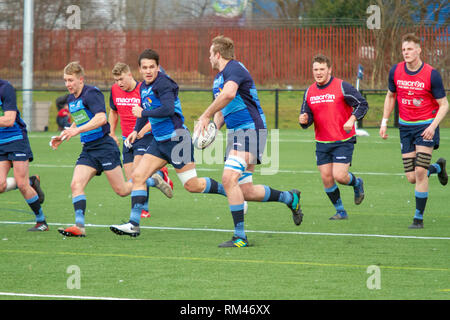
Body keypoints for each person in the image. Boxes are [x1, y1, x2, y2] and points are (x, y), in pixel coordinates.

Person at [195, 36, 303, 248]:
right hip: (237, 132)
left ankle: (240, 237)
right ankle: (290, 199)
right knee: (245, 190)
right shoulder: (218, 79)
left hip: (250, 129)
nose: (208, 58)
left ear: (218, 54)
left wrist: (205, 115)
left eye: (210, 54)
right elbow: (223, 109)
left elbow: (229, 94)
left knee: (228, 179)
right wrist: (212, 131)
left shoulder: (234, 68)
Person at [110, 49, 227, 237]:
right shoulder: (143, 87)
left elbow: (167, 109)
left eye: (152, 67)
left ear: (157, 67)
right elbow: (142, 109)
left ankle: (229, 191)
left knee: (192, 185)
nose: (148, 71)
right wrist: (135, 131)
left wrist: (143, 114)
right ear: (139, 69)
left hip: (177, 140)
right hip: (159, 142)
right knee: (138, 176)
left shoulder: (163, 84)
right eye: (145, 67)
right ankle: (133, 224)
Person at [55, 62, 159, 237]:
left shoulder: (92, 93)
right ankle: (79, 227)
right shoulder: (72, 99)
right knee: (76, 184)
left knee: (123, 190)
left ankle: (150, 180)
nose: (68, 84)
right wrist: (65, 134)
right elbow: (81, 119)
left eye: (71, 80)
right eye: (65, 80)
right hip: (88, 150)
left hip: (104, 147)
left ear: (81, 79)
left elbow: (102, 118)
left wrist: (77, 131)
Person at [379, 33, 448, 229]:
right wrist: (384, 122)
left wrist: (432, 127)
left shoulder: (431, 74)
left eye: (410, 49)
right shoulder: (396, 71)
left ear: (419, 50)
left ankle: (418, 218)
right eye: (403, 50)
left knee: (419, 172)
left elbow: (444, 104)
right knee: (411, 177)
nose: (406, 53)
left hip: (426, 127)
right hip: (405, 128)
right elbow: (391, 96)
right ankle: (438, 168)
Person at [299, 54, 368, 220]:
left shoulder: (342, 86)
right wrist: (303, 120)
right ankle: (341, 211)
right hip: (322, 142)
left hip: (343, 140)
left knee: (340, 176)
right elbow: (307, 117)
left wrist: (352, 119)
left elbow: (362, 104)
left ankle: (357, 183)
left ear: (329, 70)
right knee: (326, 178)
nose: (319, 72)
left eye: (322, 69)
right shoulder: (309, 91)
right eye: (316, 69)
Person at [109, 62, 173, 218]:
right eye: (117, 80)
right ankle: (157, 178)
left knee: (138, 173)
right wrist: (111, 132)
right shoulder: (115, 90)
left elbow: (155, 116)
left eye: (122, 79)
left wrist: (140, 132)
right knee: (131, 179)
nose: (119, 83)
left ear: (130, 75)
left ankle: (143, 209)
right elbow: (113, 112)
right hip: (127, 138)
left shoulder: (143, 90)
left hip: (145, 137)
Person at [0, 78, 47, 231]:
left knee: (22, 184)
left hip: (16, 139)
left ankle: (41, 222)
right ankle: (31, 182)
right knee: (0, 185)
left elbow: (9, 120)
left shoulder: (5, 88)